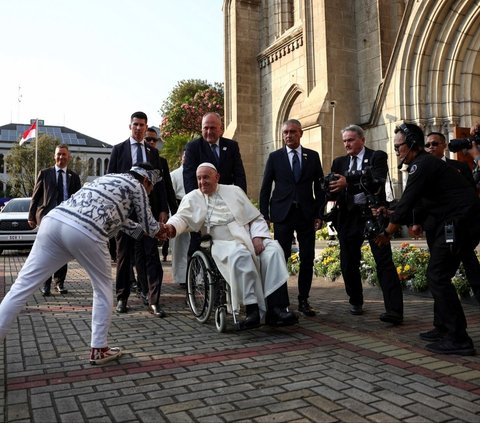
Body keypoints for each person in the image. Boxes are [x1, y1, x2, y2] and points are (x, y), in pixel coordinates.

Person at [0, 164, 163, 365]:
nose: (150, 191)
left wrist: (146, 232)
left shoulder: (107, 178)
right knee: (102, 289)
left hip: (53, 222)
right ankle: (99, 348)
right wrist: (164, 230)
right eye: (151, 187)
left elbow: (122, 223)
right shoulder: (137, 186)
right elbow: (150, 224)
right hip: (86, 231)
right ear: (147, 180)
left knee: (20, 289)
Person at [375, 122, 480, 355]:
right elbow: (418, 203)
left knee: (437, 275)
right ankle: (446, 330)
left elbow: (409, 199)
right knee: (440, 275)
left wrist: (387, 232)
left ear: (411, 143)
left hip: (459, 224)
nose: (396, 152)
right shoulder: (424, 164)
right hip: (456, 224)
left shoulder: (420, 165)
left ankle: (458, 338)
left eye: (398, 147)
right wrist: (391, 211)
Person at [161, 163, 298, 329]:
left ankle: (277, 309)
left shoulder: (234, 191)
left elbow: (255, 218)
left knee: (274, 250)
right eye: (199, 178)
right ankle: (252, 310)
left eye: (206, 177)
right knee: (240, 255)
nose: (202, 181)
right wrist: (170, 227)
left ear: (217, 177)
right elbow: (181, 218)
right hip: (221, 242)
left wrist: (257, 237)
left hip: (248, 235)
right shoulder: (192, 197)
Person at [326, 124, 404, 324]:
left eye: (350, 140)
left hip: (373, 216)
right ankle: (356, 301)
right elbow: (333, 191)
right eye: (344, 141)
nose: (347, 144)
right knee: (348, 263)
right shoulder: (339, 162)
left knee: (384, 263)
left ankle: (394, 311)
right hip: (348, 218)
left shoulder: (377, 156)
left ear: (362, 139)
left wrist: (348, 183)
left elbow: (376, 180)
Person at [259, 119, 324, 317]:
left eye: (293, 132)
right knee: (280, 258)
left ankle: (303, 300)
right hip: (282, 215)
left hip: (306, 215)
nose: (289, 135)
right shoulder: (275, 157)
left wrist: (319, 214)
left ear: (301, 133)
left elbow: (319, 188)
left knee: (307, 258)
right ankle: (281, 302)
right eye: (286, 132)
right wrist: (264, 216)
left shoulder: (312, 156)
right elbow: (265, 188)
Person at [107, 112, 168, 316]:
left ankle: (153, 299)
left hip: (148, 212)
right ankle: (122, 298)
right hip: (124, 214)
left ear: (146, 126)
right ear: (130, 126)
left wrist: (162, 210)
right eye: (135, 124)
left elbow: (159, 185)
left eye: (142, 125)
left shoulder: (153, 153)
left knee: (151, 255)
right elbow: (110, 183)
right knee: (124, 255)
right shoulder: (118, 150)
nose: (139, 128)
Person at [425, 132, 480, 304]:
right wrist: (414, 222)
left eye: (435, 143)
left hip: (460, 225)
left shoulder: (459, 166)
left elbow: (471, 194)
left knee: (469, 264)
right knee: (439, 274)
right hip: (435, 227)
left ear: (444, 146)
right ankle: (441, 319)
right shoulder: (421, 168)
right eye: (428, 145)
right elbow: (416, 197)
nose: (431, 147)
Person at [28, 144, 81, 296]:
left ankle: (60, 283)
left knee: (63, 252)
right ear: (54, 156)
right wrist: (31, 216)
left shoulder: (74, 177)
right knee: (46, 252)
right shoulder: (45, 173)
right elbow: (36, 196)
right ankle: (46, 285)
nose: (61, 157)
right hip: (47, 218)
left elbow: (78, 200)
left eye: (64, 155)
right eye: (58, 154)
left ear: (68, 157)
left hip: (66, 219)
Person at [183, 112, 247, 194]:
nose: (209, 132)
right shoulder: (193, 148)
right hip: (203, 198)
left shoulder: (231, 146)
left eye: (212, 128)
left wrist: (241, 197)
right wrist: (195, 201)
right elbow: (189, 178)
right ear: (201, 129)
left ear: (220, 129)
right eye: (206, 128)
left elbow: (239, 175)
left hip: (227, 197)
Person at [144, 127, 177, 262]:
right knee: (137, 248)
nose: (152, 142)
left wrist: (168, 210)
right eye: (148, 139)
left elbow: (167, 187)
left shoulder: (161, 161)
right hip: (137, 210)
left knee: (151, 249)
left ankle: (152, 281)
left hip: (157, 210)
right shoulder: (136, 158)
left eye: (154, 139)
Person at [169, 150, 189, 286]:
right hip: (178, 210)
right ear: (181, 157)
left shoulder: (196, 173)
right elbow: (171, 196)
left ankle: (193, 275)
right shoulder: (174, 175)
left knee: (191, 246)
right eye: (185, 156)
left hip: (193, 212)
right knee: (178, 248)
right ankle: (181, 277)